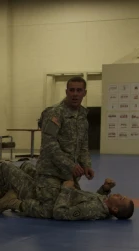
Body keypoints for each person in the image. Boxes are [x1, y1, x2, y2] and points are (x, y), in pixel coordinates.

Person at [0, 161, 135, 220]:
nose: (120, 195)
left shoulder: (93, 210)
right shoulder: (102, 203)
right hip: (52, 189)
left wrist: (66, 190)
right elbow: (92, 198)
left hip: (44, 195)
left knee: (6, 168)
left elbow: (60, 213)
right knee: (27, 166)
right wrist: (104, 189)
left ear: (114, 209)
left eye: (121, 199)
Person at [23, 77, 95, 218]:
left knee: (73, 204)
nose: (75, 94)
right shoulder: (55, 113)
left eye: (79, 90)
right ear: (66, 91)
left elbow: (84, 146)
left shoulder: (82, 116)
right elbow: (49, 144)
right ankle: (14, 201)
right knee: (50, 210)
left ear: (84, 93)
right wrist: (71, 165)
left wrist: (86, 165)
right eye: (72, 90)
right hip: (50, 172)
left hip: (68, 175)